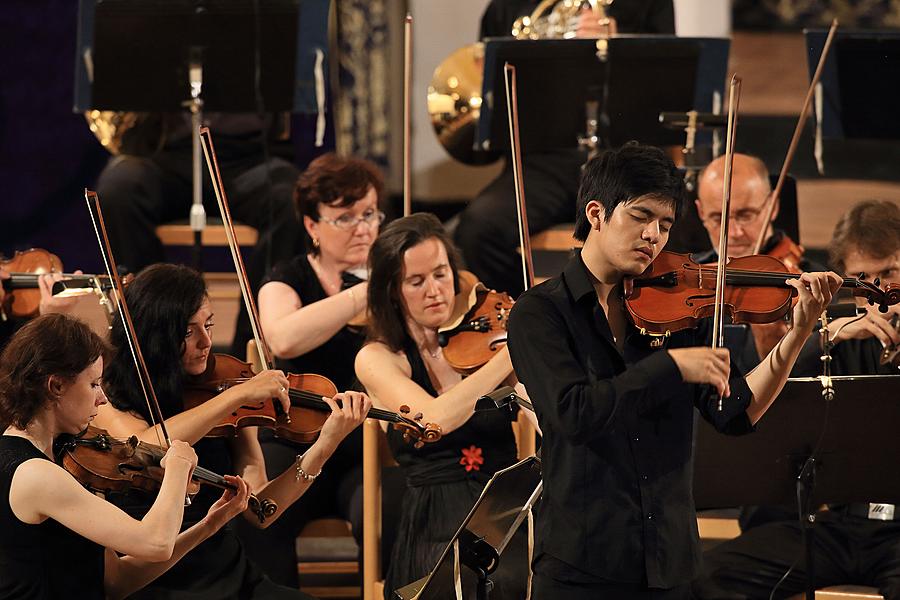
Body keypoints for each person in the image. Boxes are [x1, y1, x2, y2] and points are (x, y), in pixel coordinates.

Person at [506, 143, 841, 598]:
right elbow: (574, 414)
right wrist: (668, 366)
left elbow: (736, 413)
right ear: (597, 214)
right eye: (641, 217)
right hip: (583, 566)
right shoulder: (540, 313)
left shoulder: (677, 309)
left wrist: (797, 333)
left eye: (664, 224)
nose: (654, 237)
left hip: (671, 563)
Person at [93, 262, 371, 599]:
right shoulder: (106, 399)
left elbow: (261, 511)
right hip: (155, 579)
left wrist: (326, 444)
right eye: (187, 331)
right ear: (155, 334)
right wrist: (239, 394)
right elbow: (147, 444)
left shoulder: (225, 397)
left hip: (230, 574)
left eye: (208, 325)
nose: (206, 341)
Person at [694, 199, 900, 600]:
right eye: (862, 279)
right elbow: (765, 396)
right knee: (708, 577)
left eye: (890, 274)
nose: (880, 296)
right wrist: (827, 335)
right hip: (840, 526)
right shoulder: (837, 340)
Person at [0, 313, 251, 600]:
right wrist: (178, 466)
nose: (102, 398)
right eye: (94, 384)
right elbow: (155, 542)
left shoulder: (63, 458)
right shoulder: (34, 474)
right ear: (56, 386)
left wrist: (207, 526)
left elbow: (116, 581)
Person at [355, 213, 537, 599]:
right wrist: (511, 353)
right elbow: (434, 418)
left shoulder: (487, 341)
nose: (435, 290)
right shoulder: (379, 357)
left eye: (441, 274)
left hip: (507, 508)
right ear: (392, 291)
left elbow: (545, 420)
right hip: (435, 520)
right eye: (416, 282)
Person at [454, 0, 676, 297]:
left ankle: (637, 318)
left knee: (670, 227)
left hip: (624, 162)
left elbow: (669, 80)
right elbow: (491, 104)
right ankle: (526, 313)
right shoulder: (506, 7)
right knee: (477, 229)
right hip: (545, 164)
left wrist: (617, 44)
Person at [235, 153, 385, 586]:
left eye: (370, 214)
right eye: (345, 218)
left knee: (384, 509)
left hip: (365, 444)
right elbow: (282, 338)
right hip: (295, 437)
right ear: (311, 225)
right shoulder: (286, 279)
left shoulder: (394, 280)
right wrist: (363, 294)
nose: (364, 228)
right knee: (258, 510)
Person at [95, 114, 301, 289]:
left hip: (246, 156)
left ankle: (259, 331)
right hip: (162, 151)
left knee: (290, 199)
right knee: (118, 191)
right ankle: (149, 321)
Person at [694, 152, 826, 365]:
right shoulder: (688, 278)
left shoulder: (810, 281)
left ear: (773, 206)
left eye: (746, 215)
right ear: (701, 212)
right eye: (718, 218)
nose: (734, 232)